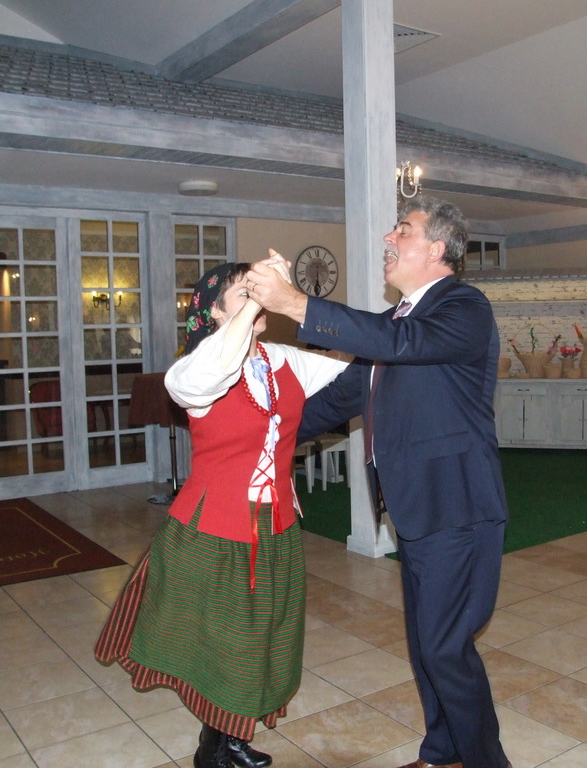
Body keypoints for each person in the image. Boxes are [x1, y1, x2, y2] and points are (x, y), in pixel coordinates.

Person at [247, 197, 512, 768]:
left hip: (457, 507)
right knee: (427, 645)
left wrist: (295, 302)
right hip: (416, 509)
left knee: (444, 648)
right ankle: (444, 753)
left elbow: (400, 344)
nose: (389, 238)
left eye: (403, 230)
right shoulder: (397, 325)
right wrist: (258, 439)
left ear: (437, 249)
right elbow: (336, 401)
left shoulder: (464, 307)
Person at [95, 262, 347, 768]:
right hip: (215, 530)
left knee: (264, 636)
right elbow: (212, 372)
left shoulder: (283, 360)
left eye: (257, 290)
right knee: (227, 642)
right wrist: (258, 301)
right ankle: (217, 748)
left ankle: (225, 742)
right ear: (213, 312)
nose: (256, 298)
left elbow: (353, 374)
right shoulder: (195, 367)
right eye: (242, 292)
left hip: (276, 525)